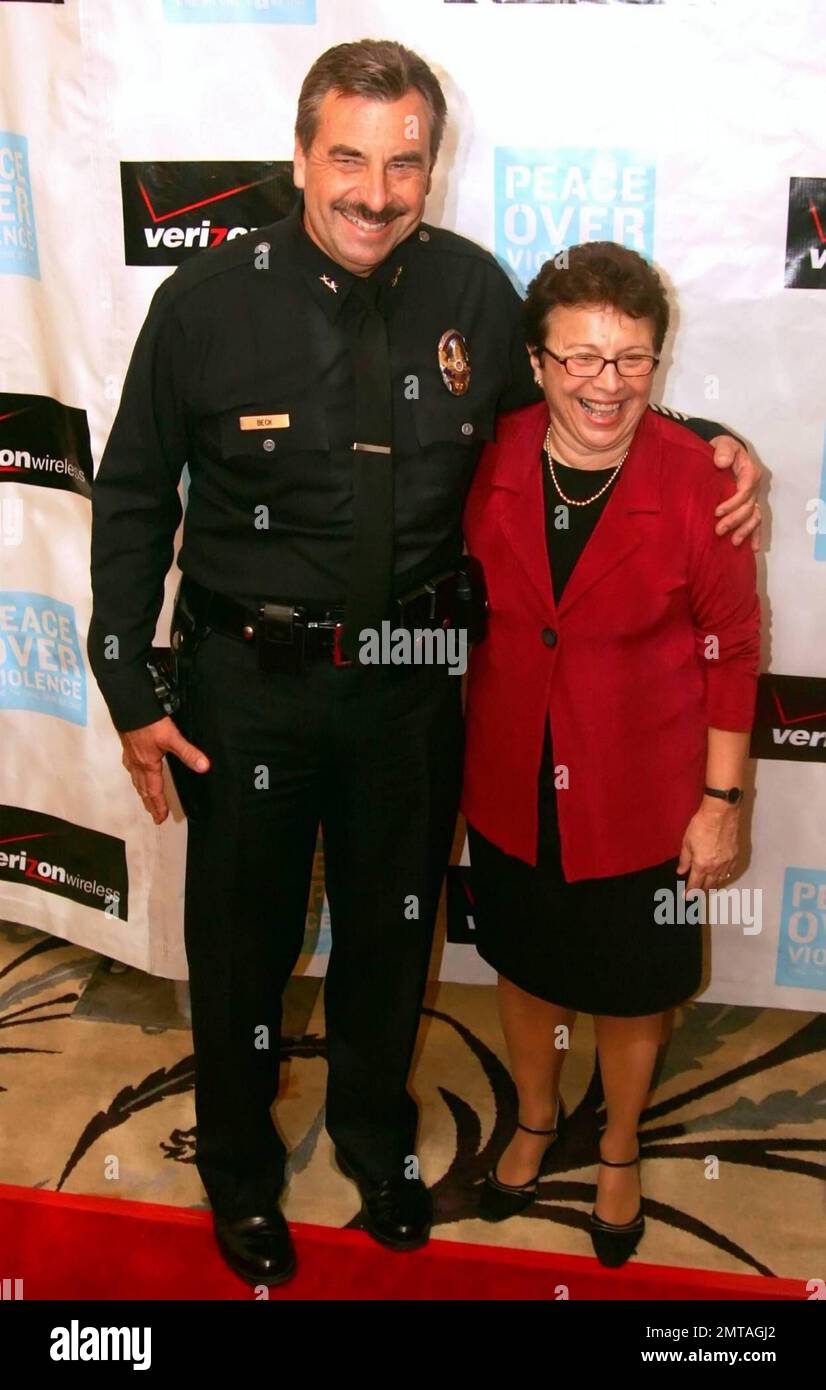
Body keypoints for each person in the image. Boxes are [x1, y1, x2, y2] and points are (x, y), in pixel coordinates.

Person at [88, 39, 761, 1287]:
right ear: (300, 156)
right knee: (241, 947)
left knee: (391, 941)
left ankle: (375, 1137)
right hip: (246, 693)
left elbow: (586, 402)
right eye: (348, 158)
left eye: (404, 163)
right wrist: (132, 689)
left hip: (410, 690)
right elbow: (132, 497)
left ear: (432, 169)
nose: (375, 192)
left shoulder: (472, 294)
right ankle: (237, 1167)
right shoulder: (204, 303)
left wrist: (714, 446)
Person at [461, 241, 761, 1266]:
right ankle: (539, 1119)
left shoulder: (697, 483)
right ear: (536, 362)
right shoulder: (485, 453)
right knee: (525, 962)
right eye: (581, 358)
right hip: (508, 775)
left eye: (631, 359)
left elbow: (733, 652)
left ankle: (621, 1142)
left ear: (656, 365)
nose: (606, 383)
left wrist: (720, 800)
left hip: (643, 791)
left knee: (636, 983)